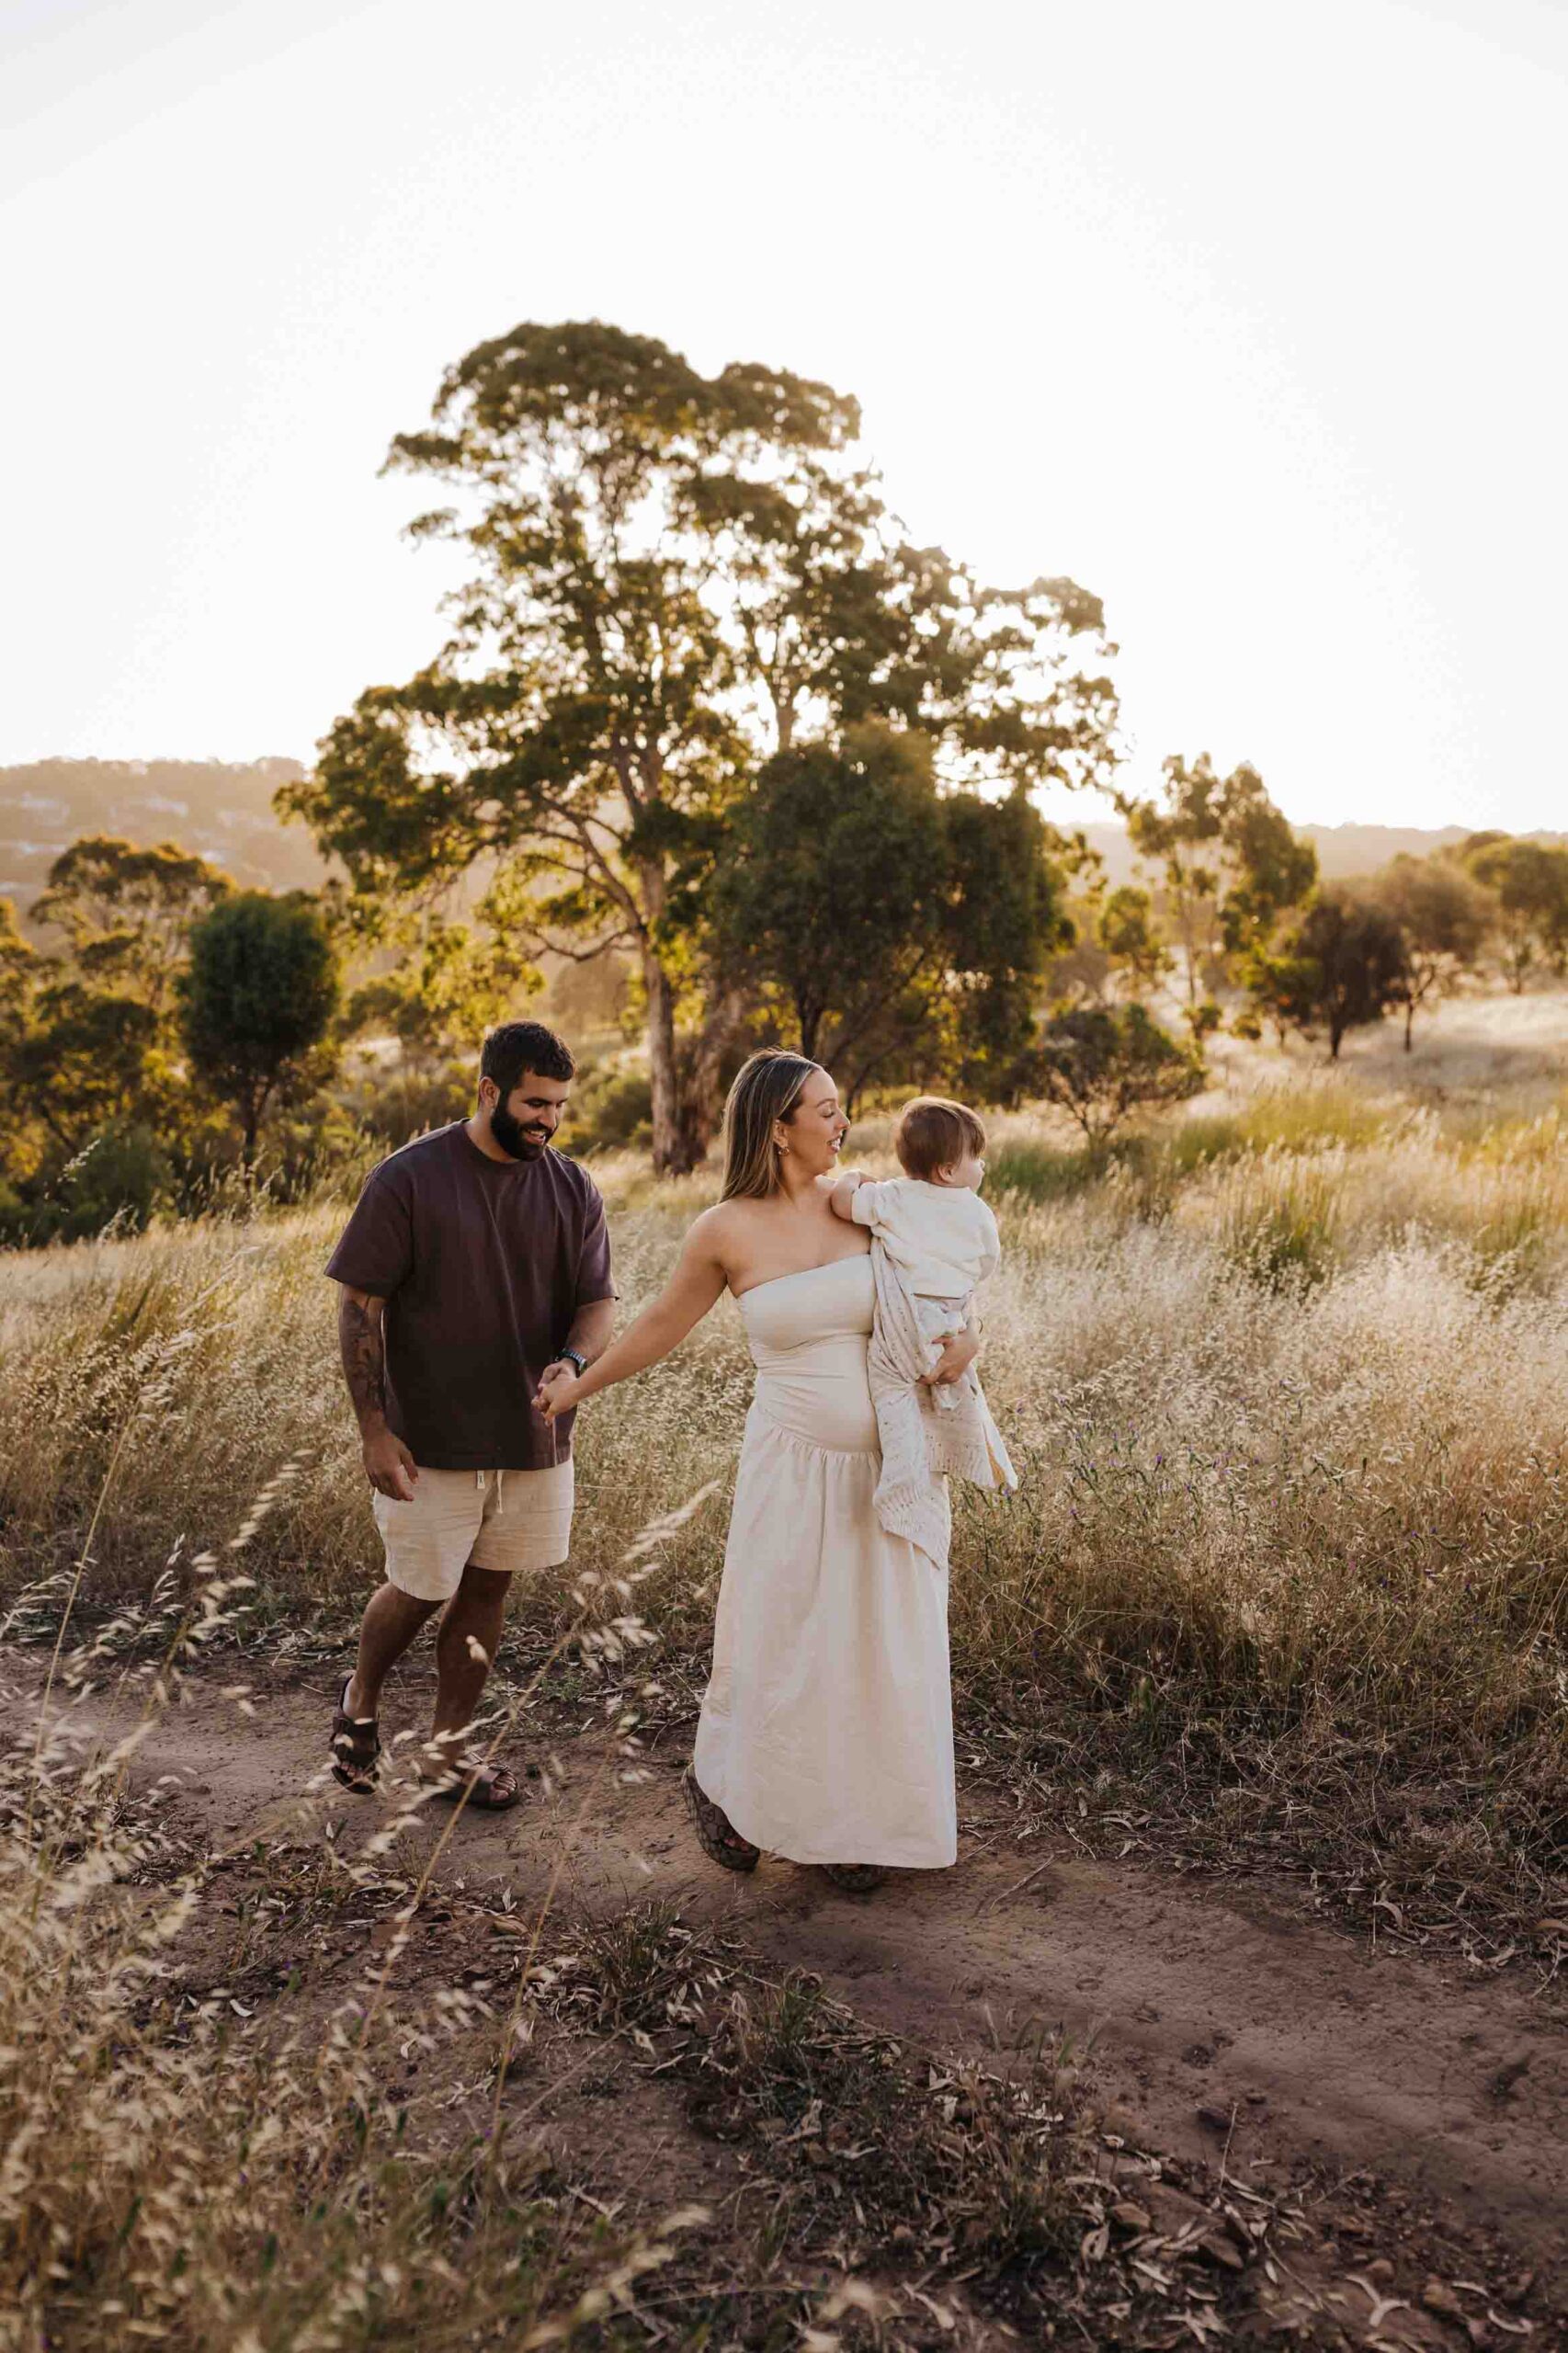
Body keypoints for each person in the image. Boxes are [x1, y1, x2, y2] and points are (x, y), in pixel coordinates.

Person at [536, 1049, 978, 1893]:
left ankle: (857, 1825)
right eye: (826, 1111)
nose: (843, 1124)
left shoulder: (870, 1208)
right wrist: (574, 1385)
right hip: (791, 1467)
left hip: (887, 1465)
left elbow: (951, 1288)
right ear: (778, 1129)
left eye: (840, 1108)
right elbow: (660, 1326)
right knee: (789, 1639)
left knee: (878, 1646)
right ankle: (733, 1795)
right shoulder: (724, 1229)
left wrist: (970, 1342)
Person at [324, 1019, 617, 1810]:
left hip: (536, 1436)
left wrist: (575, 1365)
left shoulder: (573, 1187)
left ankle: (447, 1757)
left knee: (488, 1593)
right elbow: (360, 1309)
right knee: (418, 1588)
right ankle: (359, 1702)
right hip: (428, 1440)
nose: (547, 1121)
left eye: (558, 1106)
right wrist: (373, 1430)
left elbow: (596, 1306)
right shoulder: (409, 1179)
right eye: (532, 1103)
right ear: (488, 1091)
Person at [830, 1095, 1000, 1412]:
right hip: (952, 1317)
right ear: (948, 1171)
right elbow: (987, 1263)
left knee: (896, 1397)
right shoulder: (978, 1211)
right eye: (976, 1157)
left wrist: (852, 1177)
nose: (982, 1164)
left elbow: (842, 1203)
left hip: (905, 1319)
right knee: (952, 1384)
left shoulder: (892, 1195)